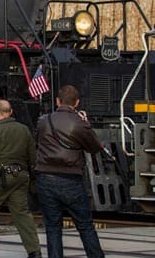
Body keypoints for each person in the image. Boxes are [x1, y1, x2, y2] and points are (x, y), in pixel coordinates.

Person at [35, 85, 105, 258]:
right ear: (77, 103)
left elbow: (37, 141)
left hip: (45, 177)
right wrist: (85, 122)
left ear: (57, 101)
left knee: (52, 227)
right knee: (85, 226)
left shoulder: (43, 121)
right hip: (71, 179)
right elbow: (94, 147)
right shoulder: (79, 124)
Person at [0, 100, 41, 258]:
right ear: (11, 112)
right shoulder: (24, 130)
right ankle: (34, 251)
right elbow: (32, 157)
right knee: (22, 214)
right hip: (19, 177)